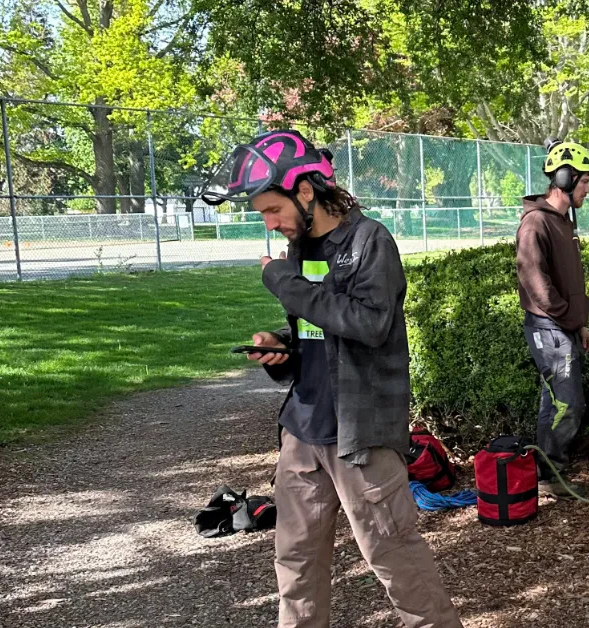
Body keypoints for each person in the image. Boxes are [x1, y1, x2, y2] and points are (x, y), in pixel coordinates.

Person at [200, 129, 462, 628]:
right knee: (294, 564)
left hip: (359, 434)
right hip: (303, 431)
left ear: (305, 191)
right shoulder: (299, 249)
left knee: (397, 563)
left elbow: (368, 324)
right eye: (262, 215)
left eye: (272, 210)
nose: (270, 223)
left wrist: (283, 283)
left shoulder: (369, 241)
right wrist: (284, 350)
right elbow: (321, 332)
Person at [516, 139, 589, 498]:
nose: (588, 188)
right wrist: (567, 318)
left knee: (555, 402)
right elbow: (536, 282)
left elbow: (569, 280)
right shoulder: (536, 223)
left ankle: (546, 475)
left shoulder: (563, 222)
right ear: (564, 179)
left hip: (562, 327)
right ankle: (552, 473)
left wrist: (579, 323)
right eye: (584, 181)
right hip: (547, 329)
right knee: (569, 403)